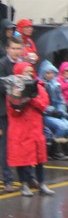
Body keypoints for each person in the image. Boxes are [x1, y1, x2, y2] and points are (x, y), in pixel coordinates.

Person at [4, 62, 54, 196]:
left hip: (35, 128)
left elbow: (44, 106)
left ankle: (42, 183)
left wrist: (31, 98)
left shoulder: (39, 87)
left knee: (39, 158)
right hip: (20, 129)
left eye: (30, 72)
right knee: (22, 158)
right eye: (25, 72)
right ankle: (24, 184)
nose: (28, 74)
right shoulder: (13, 89)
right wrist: (20, 98)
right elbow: (13, 112)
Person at [0, 36, 22, 190]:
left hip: (18, 110)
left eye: (18, 48)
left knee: (17, 144)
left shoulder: (21, 64)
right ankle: (7, 179)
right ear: (7, 49)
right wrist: (14, 88)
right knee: (5, 145)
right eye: (13, 48)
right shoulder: (2, 65)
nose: (16, 51)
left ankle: (23, 178)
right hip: (4, 111)